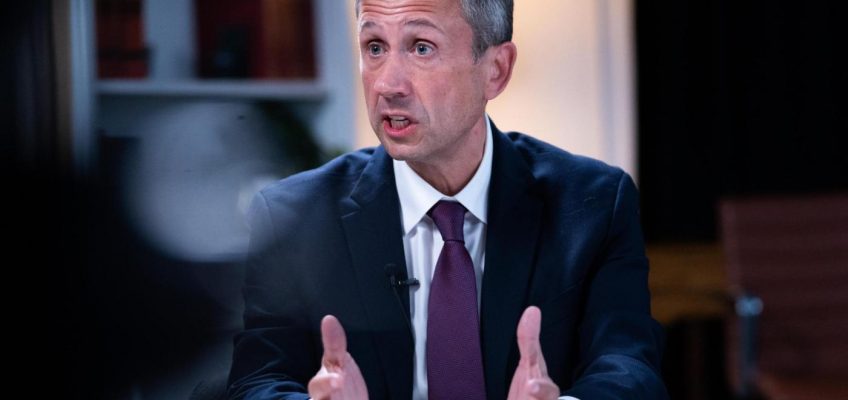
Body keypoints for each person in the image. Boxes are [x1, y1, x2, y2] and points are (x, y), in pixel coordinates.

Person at [227, 0, 668, 399]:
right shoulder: (293, 218)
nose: (388, 84)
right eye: (375, 47)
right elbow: (257, 382)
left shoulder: (592, 204)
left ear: (496, 70)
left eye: (421, 48)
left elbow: (630, 369)